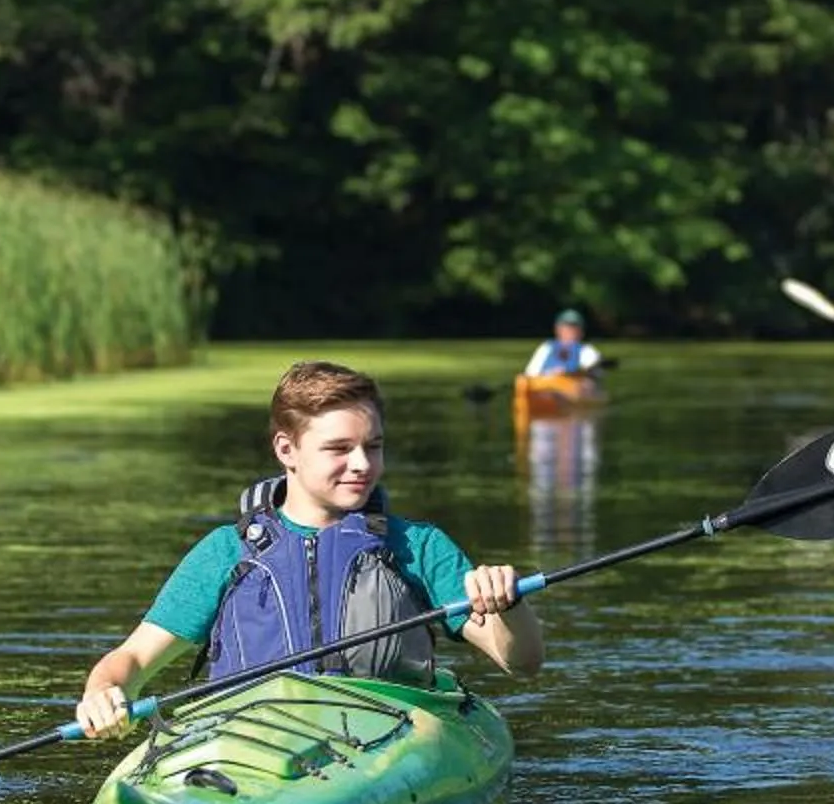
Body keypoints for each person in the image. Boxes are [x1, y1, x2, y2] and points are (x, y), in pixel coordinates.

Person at [76, 361, 542, 739]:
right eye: (339, 448)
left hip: (384, 738)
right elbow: (132, 661)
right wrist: (103, 692)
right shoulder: (225, 553)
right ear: (287, 449)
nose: (362, 464)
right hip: (248, 741)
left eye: (373, 446)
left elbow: (521, 662)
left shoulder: (417, 547)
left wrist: (510, 606)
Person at [522, 308, 604, 378]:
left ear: (581, 332)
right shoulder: (546, 347)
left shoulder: (587, 351)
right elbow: (530, 373)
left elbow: (594, 373)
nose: (569, 331)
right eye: (566, 327)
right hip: (546, 383)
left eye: (574, 328)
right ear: (557, 329)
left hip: (572, 384)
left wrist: (566, 374)